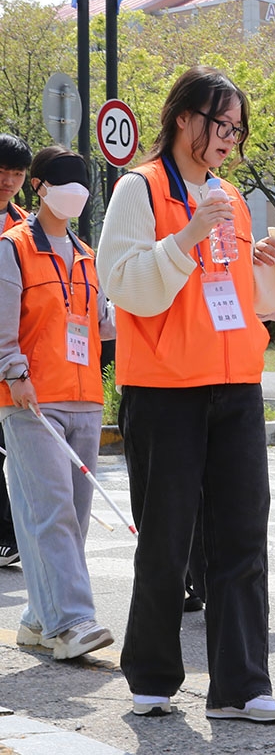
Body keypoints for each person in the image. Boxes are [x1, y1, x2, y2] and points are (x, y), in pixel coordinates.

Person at [97, 66, 275, 721]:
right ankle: (154, 677)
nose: (228, 138)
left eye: (237, 128)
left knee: (243, 536)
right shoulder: (140, 188)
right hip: (165, 390)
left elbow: (246, 300)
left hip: (236, 386)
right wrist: (189, 235)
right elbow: (125, 284)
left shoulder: (232, 197)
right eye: (221, 124)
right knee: (166, 537)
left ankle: (241, 688)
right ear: (184, 117)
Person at [0, 146, 115, 660]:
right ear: (40, 187)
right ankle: (71, 621)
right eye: (66, 181)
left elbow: (103, 323)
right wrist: (14, 371)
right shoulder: (12, 248)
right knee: (52, 514)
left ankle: (36, 619)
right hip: (31, 401)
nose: (77, 191)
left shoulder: (88, 255)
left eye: (83, 182)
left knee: (75, 514)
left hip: (86, 397)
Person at [0, 133, 33, 568]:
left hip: (16, 357)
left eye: (17, 173)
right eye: (2, 171)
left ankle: (10, 537)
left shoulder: (25, 227)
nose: (8, 180)